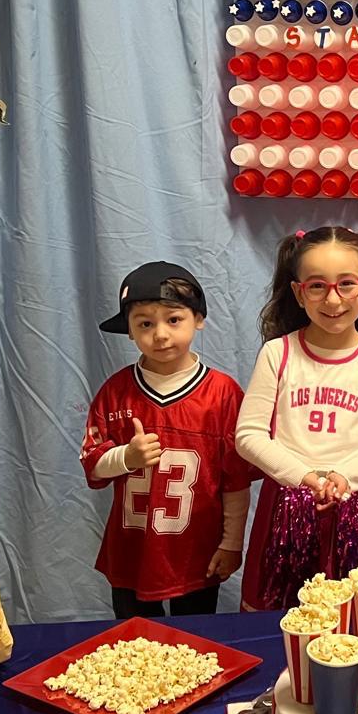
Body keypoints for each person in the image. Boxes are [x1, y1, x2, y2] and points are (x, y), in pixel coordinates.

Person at [236, 226, 358, 610]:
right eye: (317, 286)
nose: (333, 299)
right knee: (281, 618)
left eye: (346, 284)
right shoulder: (277, 354)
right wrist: (304, 478)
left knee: (355, 621)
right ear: (299, 293)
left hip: (355, 509)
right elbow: (248, 435)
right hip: (287, 507)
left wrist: (345, 476)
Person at [78, 262, 254, 617]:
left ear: (198, 319)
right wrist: (126, 457)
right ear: (129, 330)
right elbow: (93, 465)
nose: (160, 334)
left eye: (173, 320)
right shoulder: (116, 392)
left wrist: (232, 543)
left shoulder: (222, 394)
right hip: (132, 550)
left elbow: (236, 481)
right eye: (145, 323)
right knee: (134, 641)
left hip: (198, 551)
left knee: (196, 640)